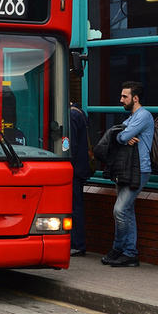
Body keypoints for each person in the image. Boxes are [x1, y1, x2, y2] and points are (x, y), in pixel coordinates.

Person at [101, 81, 154, 268]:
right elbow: (115, 134)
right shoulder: (131, 118)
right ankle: (130, 253)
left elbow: (120, 136)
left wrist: (122, 135)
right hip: (125, 168)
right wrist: (122, 134)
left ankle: (118, 248)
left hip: (139, 169)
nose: (121, 99)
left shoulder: (143, 116)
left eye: (125, 96)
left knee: (120, 210)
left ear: (135, 98)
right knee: (128, 211)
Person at [69, 103, 92, 257]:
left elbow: (71, 145)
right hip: (81, 167)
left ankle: (77, 244)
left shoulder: (71, 115)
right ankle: (78, 244)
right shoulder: (80, 112)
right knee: (76, 205)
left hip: (74, 169)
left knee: (74, 206)